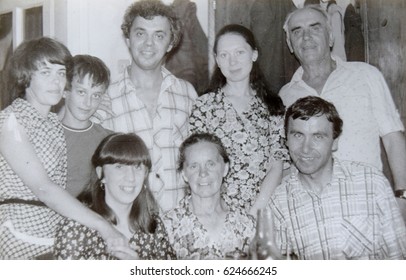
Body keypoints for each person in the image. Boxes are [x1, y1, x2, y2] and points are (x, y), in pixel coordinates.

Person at [0, 37, 126, 259]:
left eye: (61, 73)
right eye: (46, 72)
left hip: (53, 231)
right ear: (26, 76)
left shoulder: (52, 125)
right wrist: (104, 227)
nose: (56, 82)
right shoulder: (11, 119)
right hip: (19, 232)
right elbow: (44, 189)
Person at [279, 5, 406, 201]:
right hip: (312, 211)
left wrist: (403, 196)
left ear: (330, 36)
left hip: (366, 204)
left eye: (315, 28)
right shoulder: (285, 96)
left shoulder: (366, 76)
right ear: (289, 43)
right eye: (297, 31)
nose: (306, 37)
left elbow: (393, 139)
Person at [269, 96, 406, 260]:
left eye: (318, 136)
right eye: (298, 135)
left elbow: (399, 257)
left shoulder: (371, 183)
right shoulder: (279, 203)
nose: (305, 149)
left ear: (334, 142)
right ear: (286, 140)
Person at [100, 0, 198, 213]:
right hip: (128, 225)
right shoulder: (105, 98)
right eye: (141, 33)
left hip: (180, 222)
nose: (148, 44)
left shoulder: (187, 94)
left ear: (170, 44)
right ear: (128, 39)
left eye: (159, 35)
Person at [189, 24, 289, 215]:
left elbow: (276, 166)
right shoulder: (204, 106)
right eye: (224, 55)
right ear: (217, 60)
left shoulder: (272, 105)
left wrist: (254, 214)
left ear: (254, 55)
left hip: (264, 210)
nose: (232, 62)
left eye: (240, 52)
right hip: (216, 212)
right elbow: (198, 166)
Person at [54, 133, 176, 259]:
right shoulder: (75, 229)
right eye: (119, 167)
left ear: (145, 174)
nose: (131, 178)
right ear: (101, 173)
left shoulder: (153, 225)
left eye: (137, 167)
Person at [163, 133, 256, 259]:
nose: (203, 173)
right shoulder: (167, 227)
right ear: (184, 174)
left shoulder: (246, 224)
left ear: (225, 168)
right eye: (194, 166)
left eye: (210, 164)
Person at [59, 55, 112, 197]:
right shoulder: (48, 133)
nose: (87, 103)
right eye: (81, 92)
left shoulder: (107, 139)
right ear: (65, 90)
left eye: (96, 95)